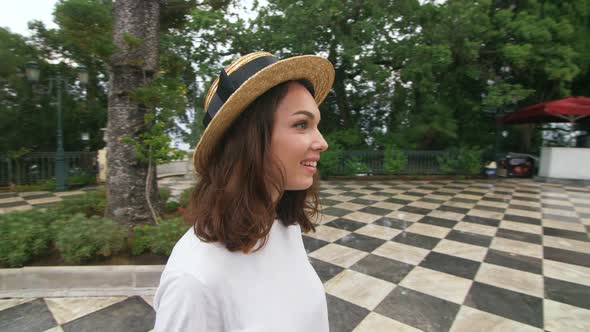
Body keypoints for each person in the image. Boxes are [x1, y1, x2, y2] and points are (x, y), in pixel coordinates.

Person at [153, 51, 335, 331]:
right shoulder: (194, 279)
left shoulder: (282, 228)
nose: (322, 142)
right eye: (302, 124)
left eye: (316, 126)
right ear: (250, 140)